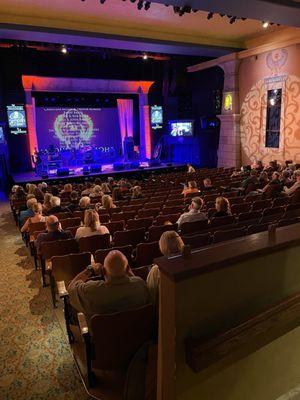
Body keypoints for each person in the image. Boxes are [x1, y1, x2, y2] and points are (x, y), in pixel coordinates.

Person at [68, 250, 149, 321]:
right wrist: (128, 271)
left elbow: (71, 288)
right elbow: (135, 280)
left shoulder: (91, 291)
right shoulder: (140, 285)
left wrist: (90, 269)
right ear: (127, 269)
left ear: (103, 271)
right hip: (135, 335)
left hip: (103, 337)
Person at [147, 231, 184, 304]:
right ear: (180, 243)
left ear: (163, 246)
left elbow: (151, 296)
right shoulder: (190, 261)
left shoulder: (157, 269)